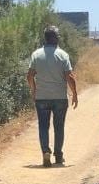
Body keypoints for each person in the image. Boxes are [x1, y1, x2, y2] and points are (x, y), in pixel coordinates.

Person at [27, 26, 79, 167]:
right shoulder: (63, 55)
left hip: (42, 98)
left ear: (45, 38)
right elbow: (69, 76)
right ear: (56, 38)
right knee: (59, 126)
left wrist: (34, 90)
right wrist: (74, 93)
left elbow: (30, 75)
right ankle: (58, 155)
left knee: (43, 126)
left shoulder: (36, 55)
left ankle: (45, 152)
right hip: (60, 98)